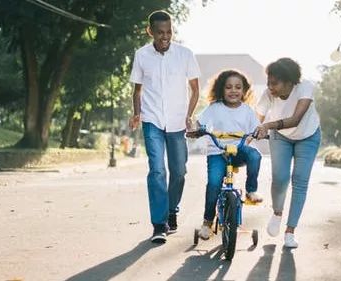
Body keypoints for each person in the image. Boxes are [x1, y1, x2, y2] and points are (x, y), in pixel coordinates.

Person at [128, 10, 200, 244]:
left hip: (178, 121)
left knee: (179, 172)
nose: (165, 36)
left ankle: (172, 211)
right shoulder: (141, 55)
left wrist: (189, 115)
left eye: (169, 32)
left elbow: (195, 89)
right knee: (157, 170)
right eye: (160, 32)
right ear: (150, 32)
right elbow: (137, 90)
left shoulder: (185, 54)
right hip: (152, 120)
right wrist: (137, 114)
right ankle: (159, 224)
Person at [255, 57, 321, 248]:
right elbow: (256, 118)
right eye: (268, 82)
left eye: (274, 83)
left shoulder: (305, 88)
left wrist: (267, 125)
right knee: (280, 178)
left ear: (290, 82)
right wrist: (252, 132)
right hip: (280, 138)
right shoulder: (268, 94)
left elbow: (295, 120)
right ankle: (277, 212)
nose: (270, 87)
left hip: (308, 136)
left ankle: (290, 232)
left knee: (300, 181)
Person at [195, 70, 263, 240]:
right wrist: (196, 129)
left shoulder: (247, 110)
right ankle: (207, 223)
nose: (233, 91)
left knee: (255, 155)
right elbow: (199, 122)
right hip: (218, 152)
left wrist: (259, 132)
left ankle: (250, 191)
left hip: (238, 151)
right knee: (214, 184)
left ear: (244, 90)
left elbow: (256, 128)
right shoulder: (214, 108)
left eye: (238, 87)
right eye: (229, 87)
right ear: (221, 89)